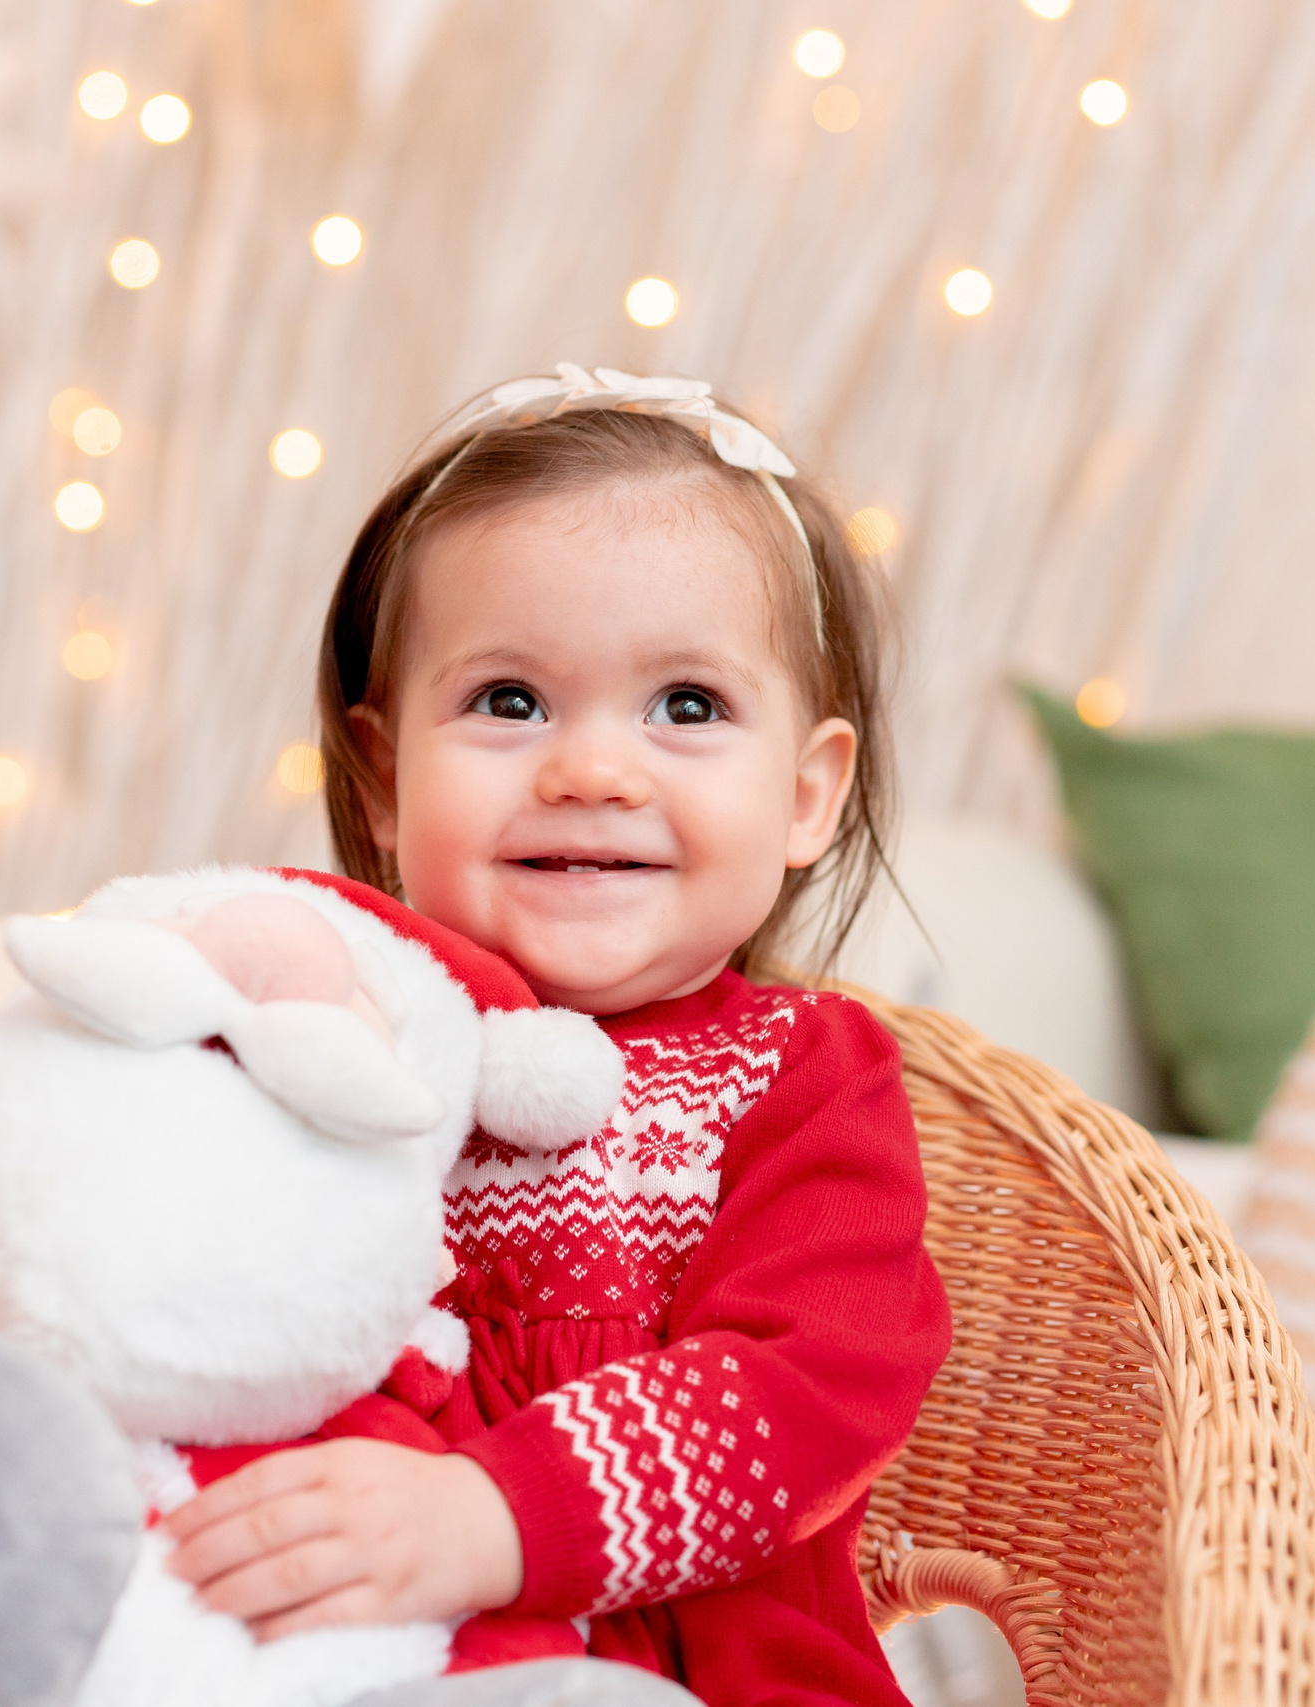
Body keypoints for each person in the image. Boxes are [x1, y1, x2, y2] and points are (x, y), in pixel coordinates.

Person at [156, 366, 953, 1706]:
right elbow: (135, 1224)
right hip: (327, 1635)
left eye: (687, 707)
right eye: (510, 702)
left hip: (695, 1670)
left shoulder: (800, 1073)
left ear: (809, 795)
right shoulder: (322, 1022)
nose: (593, 769)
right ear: (384, 777)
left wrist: (486, 1518)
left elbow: (811, 1390)